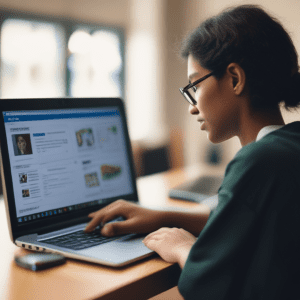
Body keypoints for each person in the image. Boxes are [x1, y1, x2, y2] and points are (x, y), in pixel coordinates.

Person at [85, 5, 300, 299]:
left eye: (194, 85)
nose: (192, 106)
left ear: (235, 79)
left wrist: (181, 247)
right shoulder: (290, 146)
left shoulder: (258, 161)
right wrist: (160, 216)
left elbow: (207, 285)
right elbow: (240, 217)